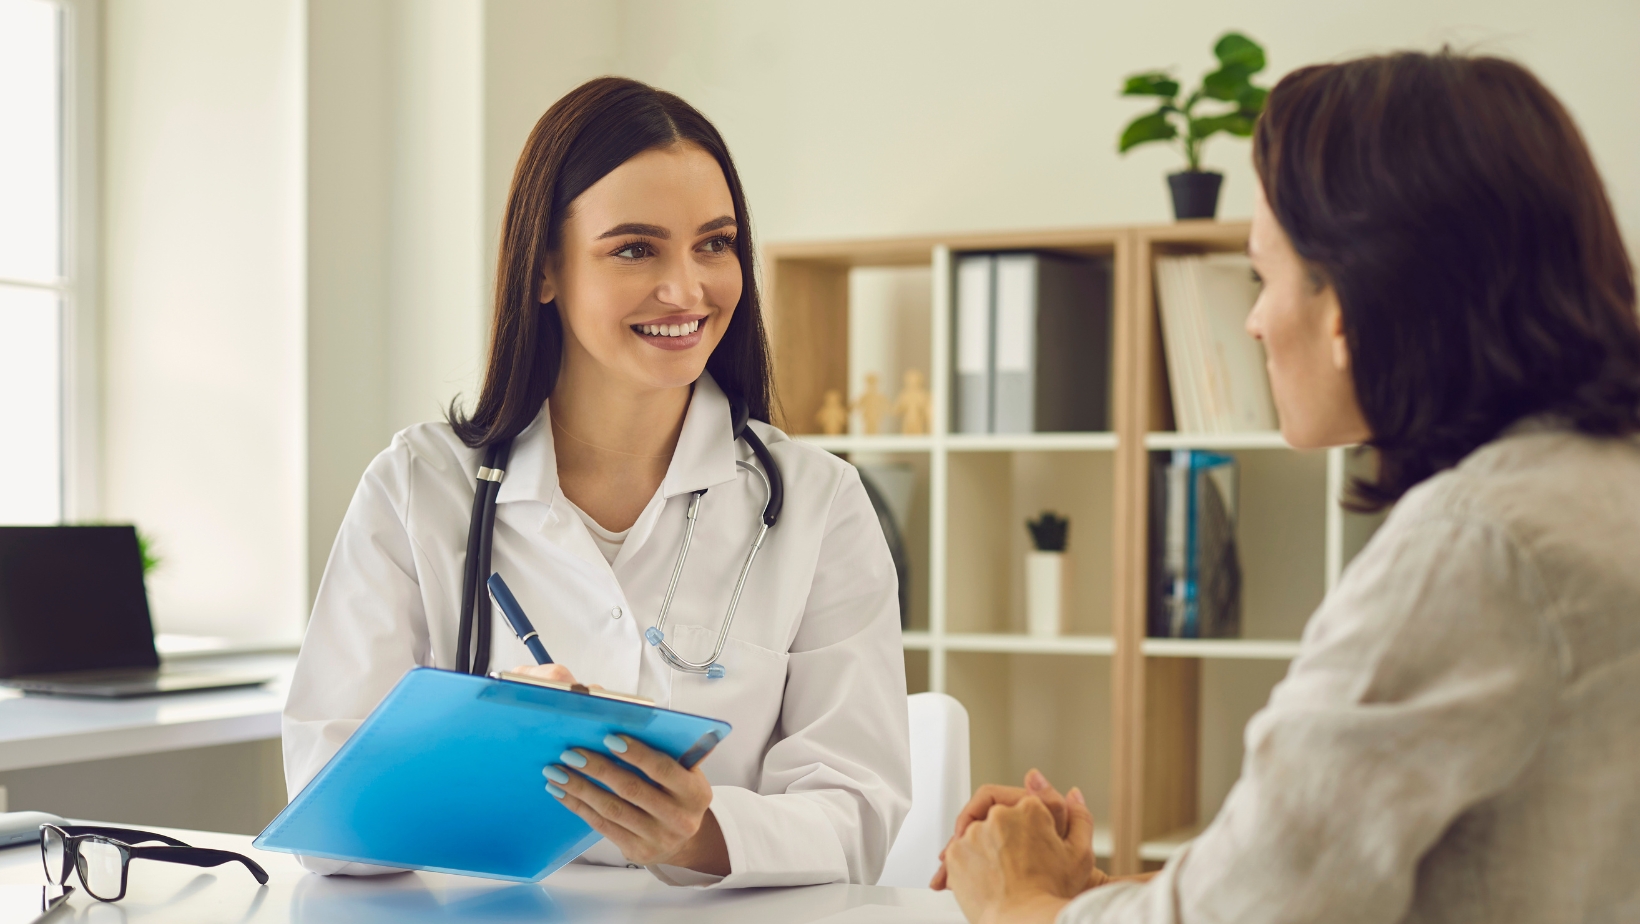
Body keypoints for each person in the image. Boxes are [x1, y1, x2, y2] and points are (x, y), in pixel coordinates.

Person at [939, 50, 1640, 923]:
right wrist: (1090, 894)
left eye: (1262, 276)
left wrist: (1019, 903)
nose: (1253, 320)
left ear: (1344, 304)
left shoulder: (1472, 549)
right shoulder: (1597, 489)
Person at [283, 77, 911, 888]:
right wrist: (483, 744)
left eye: (714, 244)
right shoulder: (418, 487)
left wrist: (698, 831)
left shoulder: (818, 503)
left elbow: (860, 812)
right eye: (635, 248)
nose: (687, 289)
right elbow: (329, 831)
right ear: (544, 270)